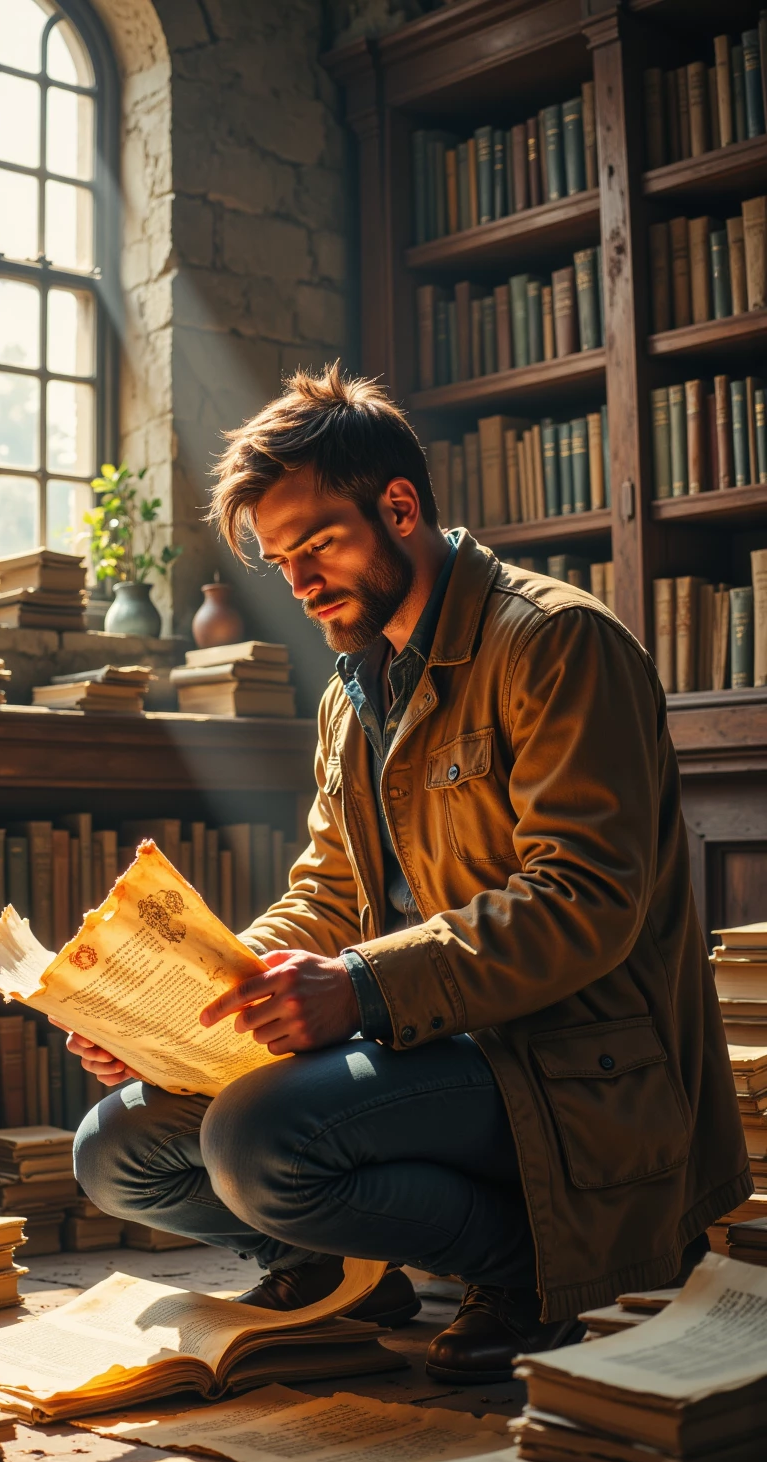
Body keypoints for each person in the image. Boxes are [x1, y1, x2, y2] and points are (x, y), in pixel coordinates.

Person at [62, 364, 749, 1383]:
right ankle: (340, 1271)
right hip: (423, 1044)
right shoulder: (353, 688)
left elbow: (585, 899)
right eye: (277, 563)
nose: (298, 586)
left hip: (568, 1062)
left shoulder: (556, 642)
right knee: (113, 1146)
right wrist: (184, 1006)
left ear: (398, 507)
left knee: (256, 1137)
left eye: (318, 545)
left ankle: (540, 1266)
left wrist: (360, 988)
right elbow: (328, 893)